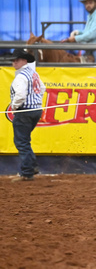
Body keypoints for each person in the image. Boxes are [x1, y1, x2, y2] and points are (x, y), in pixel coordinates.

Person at [8, 49, 46, 182]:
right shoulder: (33, 73)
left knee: (21, 141)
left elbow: (20, 95)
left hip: (24, 111)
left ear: (24, 61)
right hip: (35, 110)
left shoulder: (21, 76)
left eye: (16, 60)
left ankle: (27, 172)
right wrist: (36, 100)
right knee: (24, 140)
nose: (14, 63)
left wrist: (13, 107)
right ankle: (32, 166)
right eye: (13, 61)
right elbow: (42, 88)